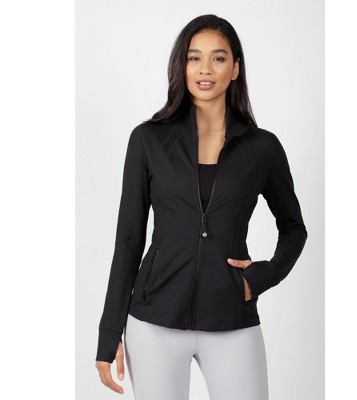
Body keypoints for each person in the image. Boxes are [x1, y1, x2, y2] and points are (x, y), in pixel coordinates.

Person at [95, 14, 307, 400]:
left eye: (218, 58)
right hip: (153, 322)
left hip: (231, 317)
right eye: (195, 58)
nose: (205, 69)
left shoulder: (263, 147)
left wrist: (264, 275)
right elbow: (128, 241)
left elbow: (294, 227)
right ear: (182, 65)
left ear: (235, 68)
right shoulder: (148, 140)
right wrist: (109, 332)